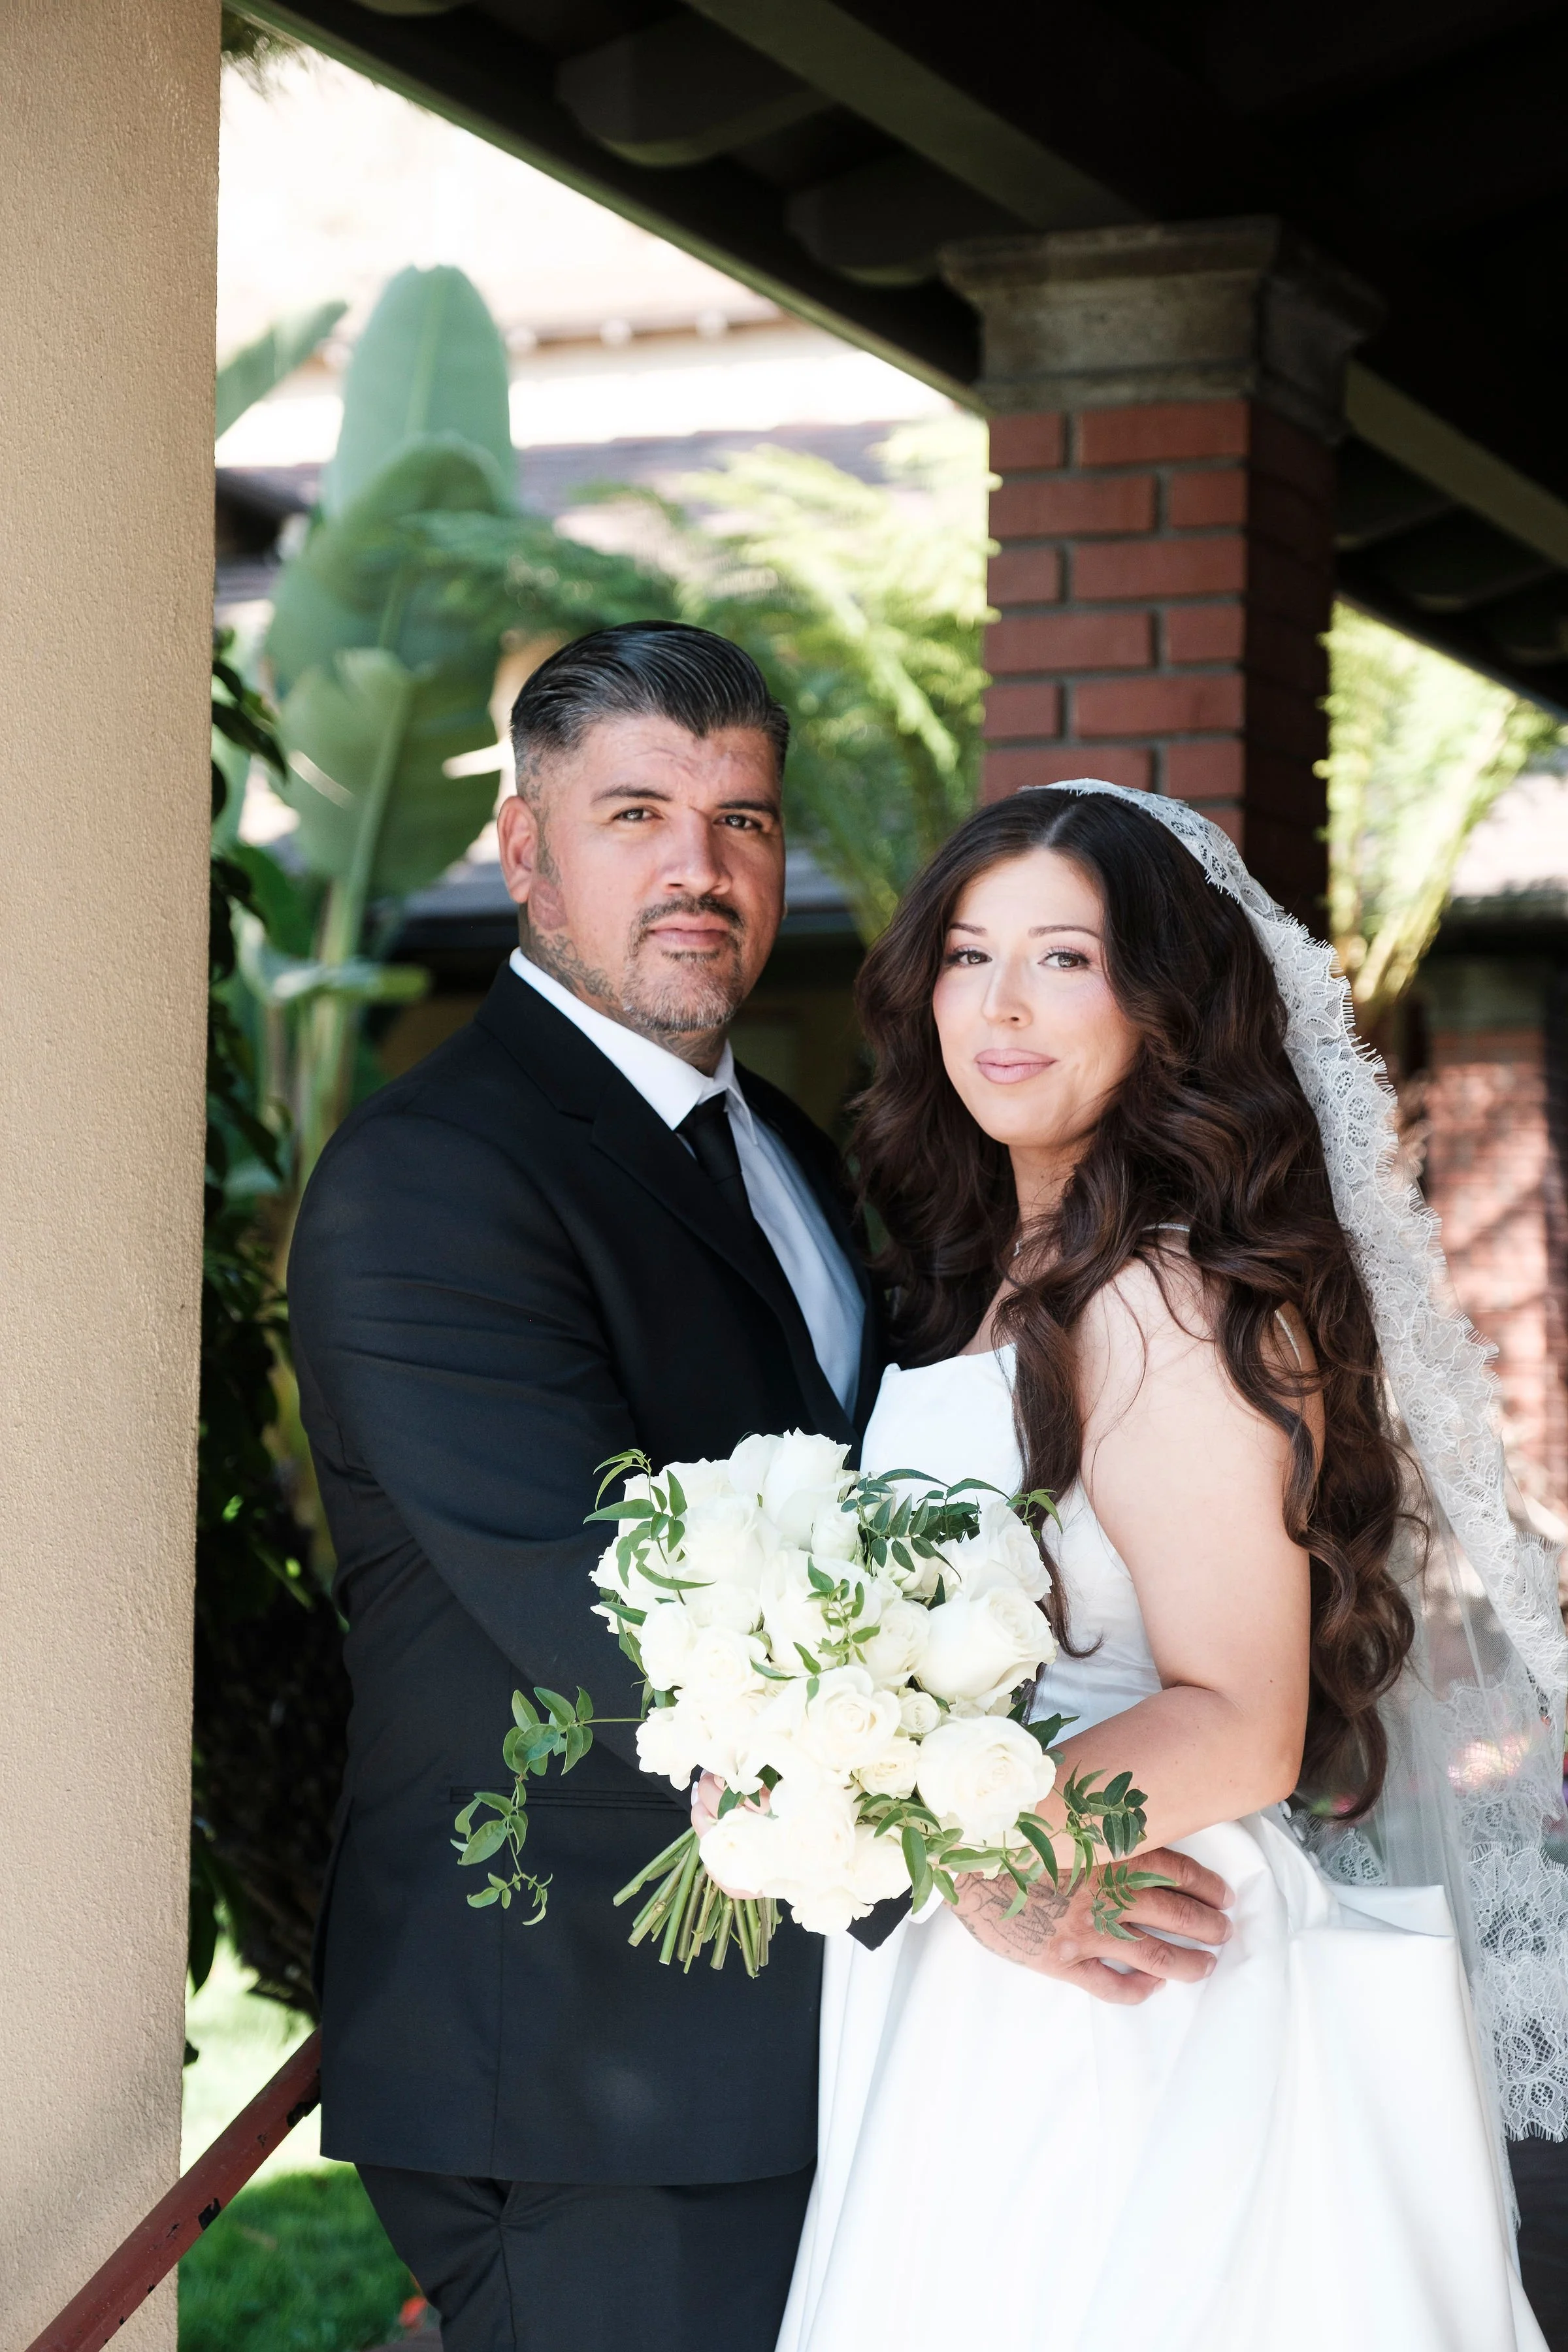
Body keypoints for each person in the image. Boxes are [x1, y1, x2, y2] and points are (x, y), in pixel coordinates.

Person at [778, 782, 1564, 2352]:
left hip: (1126, 1982)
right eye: (966, 953)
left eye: (1064, 959)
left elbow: (1242, 1718)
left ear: (1164, 1001)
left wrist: (926, 1837)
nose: (998, 1005)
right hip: (993, 1960)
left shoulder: (1160, 1301)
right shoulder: (994, 1277)